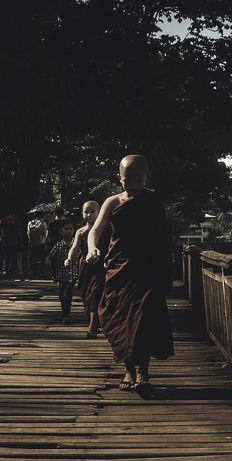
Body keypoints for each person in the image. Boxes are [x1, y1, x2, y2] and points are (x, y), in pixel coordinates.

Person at [86, 154, 174, 397]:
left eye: (139, 180)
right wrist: (92, 248)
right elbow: (95, 231)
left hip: (148, 269)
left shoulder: (154, 201)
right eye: (128, 181)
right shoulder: (113, 202)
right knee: (118, 319)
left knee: (144, 320)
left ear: (147, 178)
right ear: (119, 178)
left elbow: (161, 237)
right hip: (119, 268)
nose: (133, 186)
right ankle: (128, 370)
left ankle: (143, 372)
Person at [65, 200, 107, 338]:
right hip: (85, 266)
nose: (89, 214)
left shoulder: (106, 228)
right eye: (86, 212)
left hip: (101, 265)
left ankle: (92, 328)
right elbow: (74, 247)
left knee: (96, 293)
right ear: (82, 213)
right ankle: (93, 322)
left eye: (92, 211)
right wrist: (69, 258)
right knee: (85, 294)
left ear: (99, 212)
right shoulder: (81, 231)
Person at [47, 221, 79, 324]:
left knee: (68, 294)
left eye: (71, 229)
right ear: (61, 231)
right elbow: (51, 257)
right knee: (62, 294)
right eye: (66, 229)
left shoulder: (76, 244)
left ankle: (66, 315)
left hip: (73, 274)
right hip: (61, 274)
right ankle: (64, 311)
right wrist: (49, 263)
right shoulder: (58, 245)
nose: (69, 231)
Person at [1, 211, 26, 280]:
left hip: (6, 242)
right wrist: (21, 242)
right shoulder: (16, 222)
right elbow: (19, 233)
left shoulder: (4, 221)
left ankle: (5, 271)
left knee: (6, 258)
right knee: (13, 258)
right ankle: (10, 273)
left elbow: (2, 232)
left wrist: (1, 240)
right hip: (14, 242)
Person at [46, 207, 68, 281]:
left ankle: (54, 275)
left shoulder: (51, 223)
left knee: (54, 259)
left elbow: (48, 234)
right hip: (64, 241)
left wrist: (46, 242)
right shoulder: (65, 222)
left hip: (53, 242)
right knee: (64, 257)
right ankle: (64, 274)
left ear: (55, 213)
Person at [27, 212, 48, 278]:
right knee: (42, 258)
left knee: (34, 258)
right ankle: (42, 272)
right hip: (41, 242)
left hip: (33, 243)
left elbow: (28, 233)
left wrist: (30, 241)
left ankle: (34, 271)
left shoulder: (30, 222)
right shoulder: (43, 223)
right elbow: (45, 233)